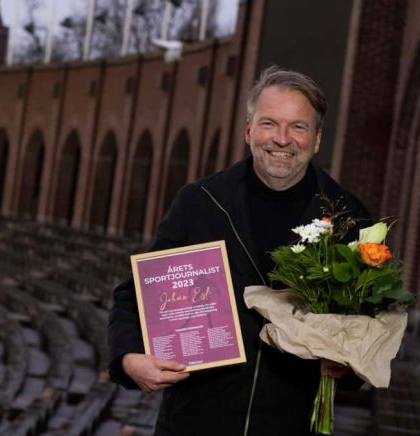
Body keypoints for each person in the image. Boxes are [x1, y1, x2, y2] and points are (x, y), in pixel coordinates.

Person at [108, 66, 371, 436]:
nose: (282, 139)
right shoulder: (201, 202)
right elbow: (135, 293)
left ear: (316, 139)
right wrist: (128, 358)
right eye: (269, 123)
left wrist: (350, 366)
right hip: (193, 423)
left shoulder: (347, 215)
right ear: (249, 132)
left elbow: (367, 317)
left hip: (293, 423)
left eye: (298, 126)